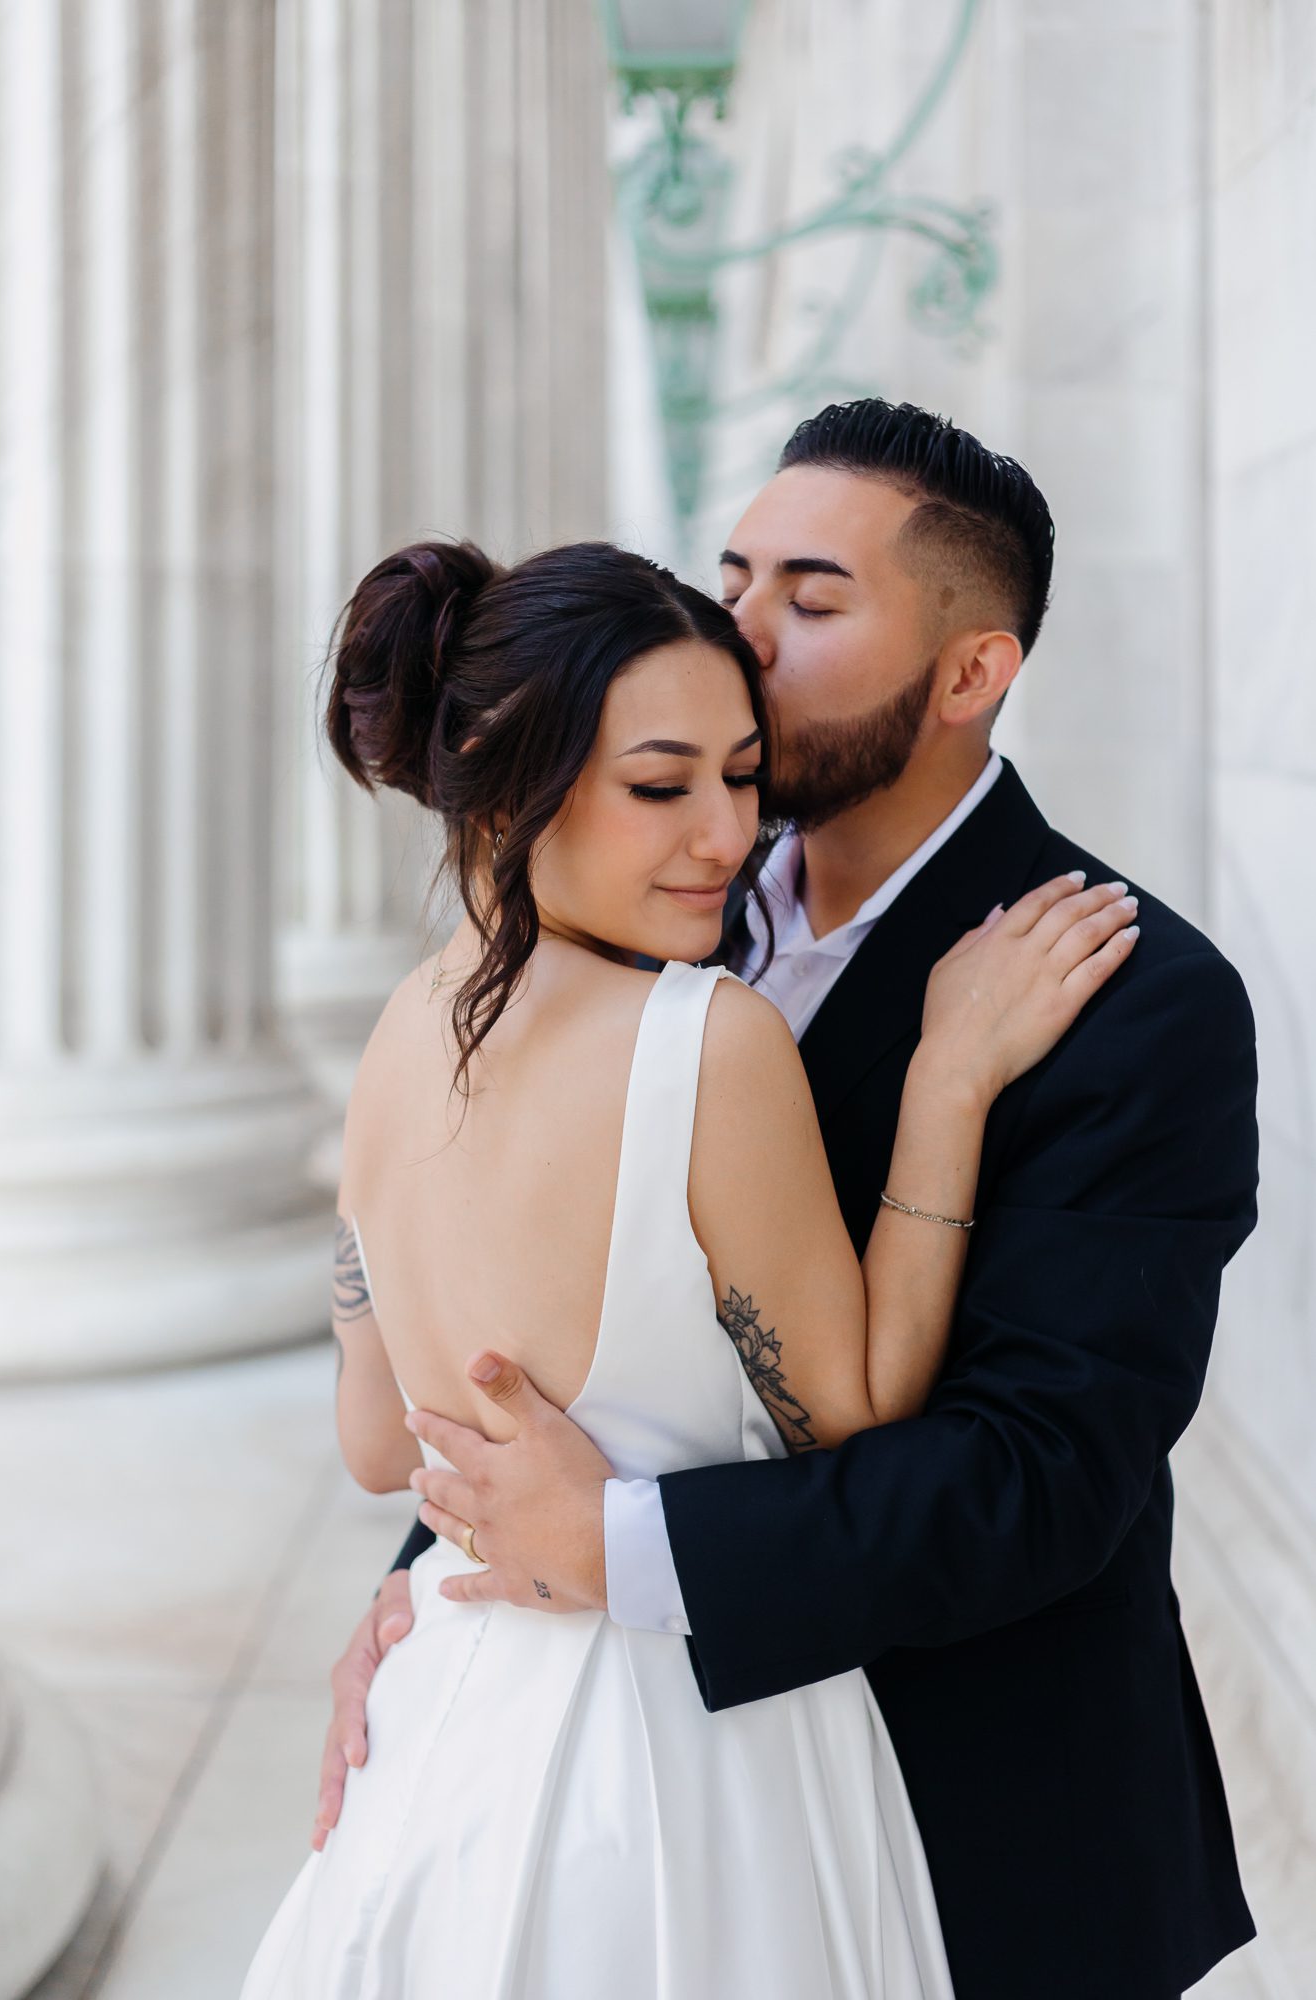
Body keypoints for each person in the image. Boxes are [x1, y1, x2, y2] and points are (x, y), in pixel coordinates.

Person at [315, 402, 1260, 2000]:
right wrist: (430, 1583)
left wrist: (609, 1545)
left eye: (811, 602)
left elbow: (1035, 1478)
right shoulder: (644, 909)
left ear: (970, 672)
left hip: (968, 1827)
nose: (741, 634)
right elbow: (516, 1330)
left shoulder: (1135, 995)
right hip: (599, 1792)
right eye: (734, 574)